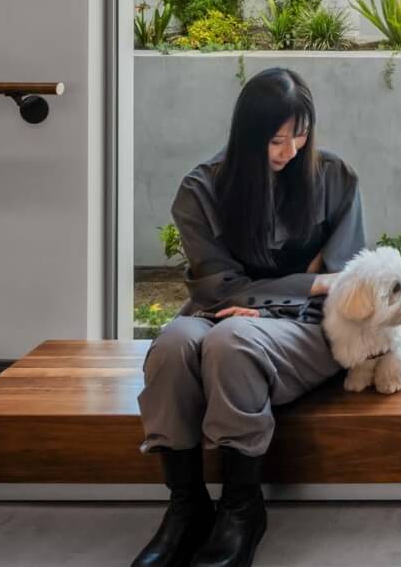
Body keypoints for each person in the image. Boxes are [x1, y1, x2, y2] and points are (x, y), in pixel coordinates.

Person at [131, 67, 365, 567]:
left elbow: (344, 284)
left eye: (300, 136)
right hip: (221, 310)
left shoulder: (335, 178)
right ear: (248, 135)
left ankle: (242, 508)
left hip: (305, 324)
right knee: (174, 344)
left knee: (232, 338)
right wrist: (307, 277)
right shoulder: (201, 189)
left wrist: (256, 296)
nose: (291, 151)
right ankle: (187, 506)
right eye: (276, 140)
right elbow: (220, 288)